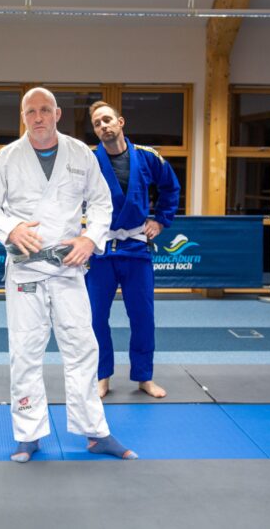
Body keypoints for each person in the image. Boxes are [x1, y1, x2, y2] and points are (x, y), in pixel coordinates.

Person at [0, 87, 136, 463]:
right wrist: (11, 228)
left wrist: (89, 239)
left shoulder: (80, 153)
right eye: (31, 111)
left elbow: (100, 203)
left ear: (58, 113)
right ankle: (28, 434)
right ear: (23, 116)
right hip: (25, 267)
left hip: (68, 266)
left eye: (45, 110)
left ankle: (95, 432)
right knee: (26, 350)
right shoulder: (8, 157)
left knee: (82, 347)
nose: (39, 117)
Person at [86, 101, 180, 399]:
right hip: (100, 250)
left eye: (107, 120)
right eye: (97, 123)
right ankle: (102, 376)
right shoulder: (88, 160)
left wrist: (161, 220)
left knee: (142, 315)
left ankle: (144, 376)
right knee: (95, 316)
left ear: (121, 122)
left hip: (136, 247)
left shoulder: (147, 157)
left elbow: (170, 187)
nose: (103, 126)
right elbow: (70, 195)